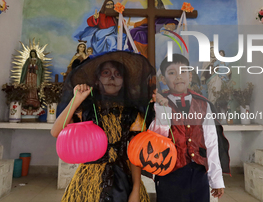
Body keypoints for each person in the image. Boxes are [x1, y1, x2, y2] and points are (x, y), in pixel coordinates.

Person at [51, 51, 156, 202]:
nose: (112, 78)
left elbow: (135, 155)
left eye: (118, 74)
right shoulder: (85, 110)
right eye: (106, 73)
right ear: (97, 79)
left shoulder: (132, 114)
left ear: (124, 81)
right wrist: (77, 100)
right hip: (87, 181)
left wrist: (136, 190)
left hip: (123, 179)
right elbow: (56, 131)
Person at [155, 54, 230, 202]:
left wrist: (216, 180)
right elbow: (157, 138)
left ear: (190, 76)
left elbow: (211, 142)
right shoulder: (158, 104)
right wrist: (162, 108)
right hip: (169, 173)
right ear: (163, 79)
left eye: (183, 71)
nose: (178, 76)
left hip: (198, 173)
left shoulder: (203, 104)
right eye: (171, 72)